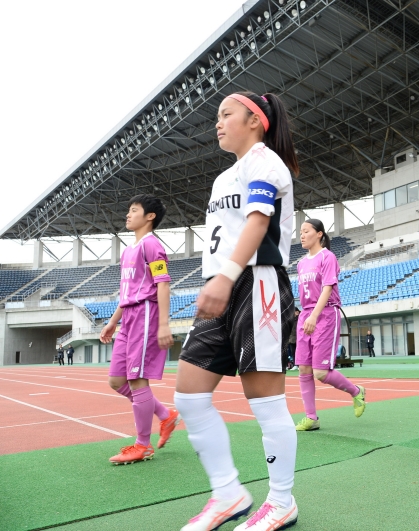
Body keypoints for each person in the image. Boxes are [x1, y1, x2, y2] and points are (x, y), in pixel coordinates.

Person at [175, 91, 299, 531]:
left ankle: (282, 501)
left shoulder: (266, 163)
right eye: (217, 117)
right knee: (189, 396)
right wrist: (215, 281)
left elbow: (258, 223)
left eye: (226, 114)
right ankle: (228, 493)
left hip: (257, 281)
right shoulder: (223, 178)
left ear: (256, 121)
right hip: (221, 285)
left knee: (265, 402)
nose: (218, 122)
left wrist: (225, 278)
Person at [100, 194, 179, 465]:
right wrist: (113, 321)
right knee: (116, 381)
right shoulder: (128, 251)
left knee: (137, 379)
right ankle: (165, 415)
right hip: (128, 317)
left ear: (150, 216)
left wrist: (164, 324)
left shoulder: (152, 246)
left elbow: (163, 284)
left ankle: (142, 445)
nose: (127, 215)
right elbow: (127, 292)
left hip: (146, 315)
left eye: (134, 210)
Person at [294, 218, 366, 431]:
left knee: (321, 373)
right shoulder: (300, 263)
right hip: (305, 315)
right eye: (300, 232)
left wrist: (314, 317)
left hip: (324, 315)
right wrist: (306, 316)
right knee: (304, 370)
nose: (302, 235)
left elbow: (327, 288)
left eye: (306, 231)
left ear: (319, 234)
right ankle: (311, 417)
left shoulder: (328, 257)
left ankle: (356, 391)